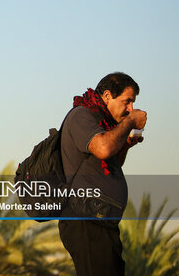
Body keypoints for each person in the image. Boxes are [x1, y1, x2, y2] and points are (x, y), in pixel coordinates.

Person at [59, 72, 147, 276]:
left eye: (132, 104)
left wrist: (124, 146)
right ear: (107, 96)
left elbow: (112, 164)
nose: (130, 109)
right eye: (127, 102)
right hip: (85, 221)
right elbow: (103, 149)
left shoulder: (106, 126)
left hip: (103, 222)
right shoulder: (82, 115)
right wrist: (131, 122)